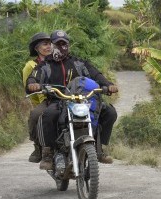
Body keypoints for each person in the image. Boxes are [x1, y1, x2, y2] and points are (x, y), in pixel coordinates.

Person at [26, 30, 118, 170]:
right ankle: (47, 153)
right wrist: (33, 83)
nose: (62, 47)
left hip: (81, 99)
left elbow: (95, 74)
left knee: (110, 112)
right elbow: (34, 76)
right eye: (58, 44)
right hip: (57, 100)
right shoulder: (45, 65)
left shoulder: (79, 63)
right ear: (52, 45)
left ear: (68, 45)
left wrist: (108, 84)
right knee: (47, 115)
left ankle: (100, 148)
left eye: (65, 44)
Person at [23, 32, 52, 163]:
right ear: (36, 48)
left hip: (63, 97)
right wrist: (40, 100)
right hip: (44, 100)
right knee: (35, 115)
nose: (49, 47)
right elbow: (29, 88)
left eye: (50, 43)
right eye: (45, 44)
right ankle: (38, 146)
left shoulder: (57, 61)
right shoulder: (30, 66)